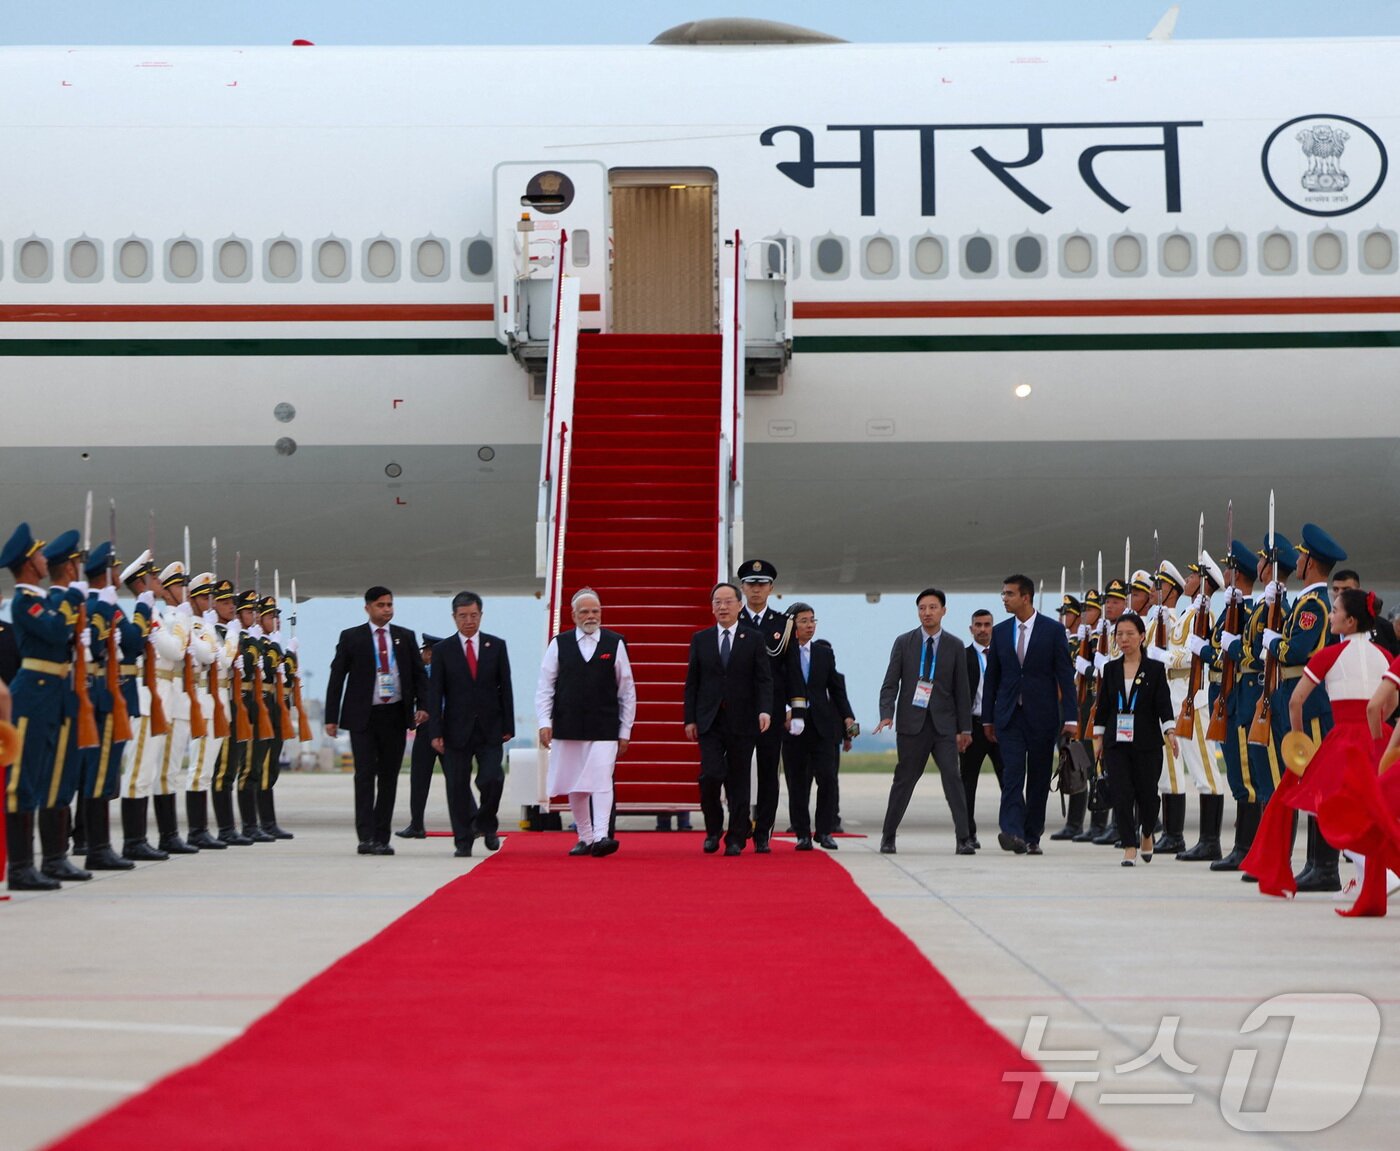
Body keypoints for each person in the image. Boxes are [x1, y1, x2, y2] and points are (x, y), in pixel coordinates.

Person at [1244, 588, 1400, 914]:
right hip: (1378, 736)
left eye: (1335, 611)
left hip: (1344, 740)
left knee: (1326, 810)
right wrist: (1378, 730)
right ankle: (1362, 877)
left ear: (1350, 620)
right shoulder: (1384, 656)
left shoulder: (1328, 656)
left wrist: (1299, 741)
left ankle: (1377, 871)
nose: (1330, 616)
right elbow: (1391, 702)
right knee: (1369, 810)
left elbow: (1295, 700)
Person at [1262, 523, 1345, 892]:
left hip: (1308, 701)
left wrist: (1273, 641)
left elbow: (1297, 651)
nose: (1295, 560)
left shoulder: (1313, 604)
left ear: (1310, 562)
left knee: (1316, 782)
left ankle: (1325, 867)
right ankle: (1315, 863)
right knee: (1308, 780)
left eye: (1300, 555)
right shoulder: (1307, 602)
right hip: (1298, 694)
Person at [2, 523, 83, 891]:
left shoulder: (46, 600)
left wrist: (69, 601)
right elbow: (54, 632)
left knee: (52, 778)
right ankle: (20, 866)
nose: (44, 558)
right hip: (32, 693)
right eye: (37, 554)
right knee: (24, 780)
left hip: (53, 692)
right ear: (27, 564)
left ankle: (53, 858)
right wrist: (69, 605)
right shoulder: (25, 601)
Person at [324, 586, 430, 856]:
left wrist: (423, 706)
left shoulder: (404, 637)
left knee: (389, 777)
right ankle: (365, 836)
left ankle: (382, 836)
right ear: (368, 608)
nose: (387, 610)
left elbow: (419, 676)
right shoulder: (352, 637)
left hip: (394, 715)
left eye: (390, 605)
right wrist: (331, 718)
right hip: (364, 717)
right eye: (381, 605)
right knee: (364, 776)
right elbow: (337, 678)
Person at [982, 573, 1078, 855]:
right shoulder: (1000, 632)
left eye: (1009, 594)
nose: (1004, 599)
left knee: (1037, 778)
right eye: (1003, 594)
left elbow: (1065, 675)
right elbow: (992, 680)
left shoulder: (1052, 631)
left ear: (1026, 597)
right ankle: (1011, 831)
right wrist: (988, 718)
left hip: (1043, 717)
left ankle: (1032, 835)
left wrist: (1071, 718)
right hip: (1010, 716)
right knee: (1012, 774)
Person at [536, 589, 636, 857]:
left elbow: (627, 690)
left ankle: (603, 835)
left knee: (601, 780)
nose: (591, 616)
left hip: (604, 727)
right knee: (575, 784)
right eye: (585, 612)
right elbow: (545, 686)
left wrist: (625, 729)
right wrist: (544, 721)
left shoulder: (615, 643)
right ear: (573, 615)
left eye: (595, 611)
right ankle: (586, 836)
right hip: (568, 726)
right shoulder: (560, 643)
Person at [873, 588, 973, 855]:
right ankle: (888, 835)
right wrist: (886, 714)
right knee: (904, 780)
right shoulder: (904, 642)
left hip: (944, 726)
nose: (926, 613)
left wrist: (965, 728)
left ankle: (963, 838)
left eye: (932, 607)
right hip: (911, 725)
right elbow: (890, 683)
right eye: (922, 608)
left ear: (943, 610)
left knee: (953, 778)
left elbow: (963, 691)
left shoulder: (954, 645)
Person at [683, 582, 772, 856]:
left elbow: (763, 679)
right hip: (709, 720)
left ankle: (736, 837)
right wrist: (690, 719)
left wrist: (764, 710)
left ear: (739, 605)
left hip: (742, 720)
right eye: (717, 603)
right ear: (712, 608)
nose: (722, 607)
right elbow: (692, 683)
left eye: (728, 602)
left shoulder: (753, 638)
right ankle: (713, 829)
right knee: (711, 774)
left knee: (739, 780)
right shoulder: (701, 639)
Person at [429, 592, 514, 857]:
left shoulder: (496, 646)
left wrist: (508, 724)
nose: (469, 621)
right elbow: (435, 693)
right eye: (463, 616)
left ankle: (487, 823)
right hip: (455, 729)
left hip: (490, 727)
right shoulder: (443, 650)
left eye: (474, 615)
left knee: (492, 778)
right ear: (454, 617)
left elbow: (506, 688)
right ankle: (463, 840)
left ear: (481, 615)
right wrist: (435, 731)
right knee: (456, 785)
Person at [1093, 612, 1179, 866]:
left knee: (1148, 796)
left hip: (1147, 742)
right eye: (1119, 634)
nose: (1124, 639)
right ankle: (1129, 845)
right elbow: (1104, 706)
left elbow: (1163, 704)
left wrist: (1170, 732)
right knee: (1121, 793)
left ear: (1142, 636)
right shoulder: (1110, 669)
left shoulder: (1154, 669)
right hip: (1116, 742)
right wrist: (1098, 737)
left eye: (1130, 634)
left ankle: (1147, 832)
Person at [1203, 540, 1264, 873]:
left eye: (1228, 568)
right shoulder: (1232, 609)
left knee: (1245, 775)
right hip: (1226, 696)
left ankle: (1246, 847)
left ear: (1236, 573)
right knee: (1238, 775)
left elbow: (1244, 654)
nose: (1224, 573)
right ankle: (1244, 847)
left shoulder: (1252, 611)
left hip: (1241, 699)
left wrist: (1209, 649)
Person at [781, 603, 854, 851]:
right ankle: (802, 833)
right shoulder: (781, 653)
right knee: (798, 783)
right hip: (793, 727)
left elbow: (835, 687)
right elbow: (774, 686)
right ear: (792, 625)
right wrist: (785, 711)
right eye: (803, 620)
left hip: (823, 726)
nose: (810, 625)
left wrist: (847, 717)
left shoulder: (823, 653)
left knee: (828, 778)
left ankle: (824, 831)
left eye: (812, 620)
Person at [737, 558, 788, 853]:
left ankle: (763, 831)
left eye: (762, 584)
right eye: (751, 584)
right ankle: (741, 822)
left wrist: (796, 709)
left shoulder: (782, 625)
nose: (756, 590)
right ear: (742, 587)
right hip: (741, 710)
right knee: (738, 770)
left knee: (769, 772)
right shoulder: (734, 621)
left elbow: (791, 669)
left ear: (771, 588)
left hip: (774, 709)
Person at [959, 608, 1003, 850]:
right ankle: (967, 834)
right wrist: (960, 729)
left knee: (1009, 780)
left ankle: (1013, 829)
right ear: (971, 629)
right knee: (967, 783)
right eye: (978, 625)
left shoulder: (1002, 655)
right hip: (972, 727)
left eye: (987, 625)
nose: (983, 629)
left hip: (1000, 727)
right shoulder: (962, 657)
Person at [396, 634, 443, 838]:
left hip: (430, 728)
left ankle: (417, 824)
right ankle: (472, 820)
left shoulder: (428, 672)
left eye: (425, 650)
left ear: (431, 653)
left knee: (419, 778)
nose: (422, 654)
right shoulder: (444, 671)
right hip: (442, 727)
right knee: (454, 778)